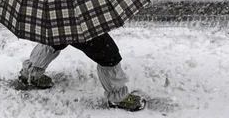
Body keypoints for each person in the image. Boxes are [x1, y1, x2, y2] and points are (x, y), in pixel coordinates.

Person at [18, 33, 146, 112]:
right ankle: (118, 97)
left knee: (57, 36)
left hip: (62, 13)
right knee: (107, 53)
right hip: (80, 19)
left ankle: (30, 73)